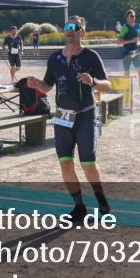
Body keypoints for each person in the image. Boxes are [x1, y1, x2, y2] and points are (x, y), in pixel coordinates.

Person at [25, 16, 111, 223]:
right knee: (65, 163)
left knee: (87, 163)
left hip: (85, 114)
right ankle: (79, 207)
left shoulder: (91, 56)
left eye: (75, 27)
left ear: (83, 32)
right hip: (63, 115)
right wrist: (36, 84)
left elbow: (108, 85)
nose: (70, 30)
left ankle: (101, 200)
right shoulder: (55, 58)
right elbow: (47, 86)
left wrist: (93, 82)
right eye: (67, 26)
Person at [117, 9, 140, 108]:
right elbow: (119, 42)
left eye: (134, 16)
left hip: (135, 53)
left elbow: (139, 34)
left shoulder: (137, 26)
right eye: (131, 16)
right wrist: (131, 40)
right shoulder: (124, 28)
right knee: (127, 75)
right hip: (126, 53)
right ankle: (126, 100)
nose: (133, 18)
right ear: (127, 17)